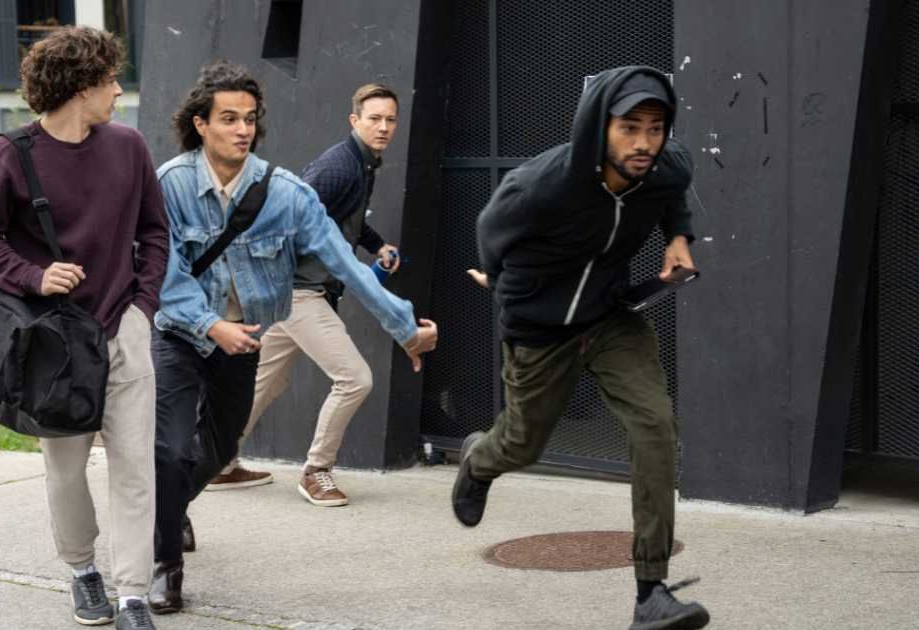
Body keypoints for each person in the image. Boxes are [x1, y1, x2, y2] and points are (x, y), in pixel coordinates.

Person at [147, 61, 437, 614]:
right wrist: (211, 325)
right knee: (171, 447)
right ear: (200, 124)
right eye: (228, 118)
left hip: (245, 339)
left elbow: (344, 263)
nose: (243, 129)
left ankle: (169, 505)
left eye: (250, 118)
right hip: (182, 335)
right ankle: (165, 563)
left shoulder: (285, 193)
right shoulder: (171, 184)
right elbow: (163, 272)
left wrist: (404, 327)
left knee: (218, 448)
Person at [451, 66, 710, 630]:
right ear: (600, 126)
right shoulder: (545, 185)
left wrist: (678, 235)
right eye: (629, 128)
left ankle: (651, 592)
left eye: (655, 128)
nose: (644, 143)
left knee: (655, 427)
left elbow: (674, 187)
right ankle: (480, 460)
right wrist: (507, 286)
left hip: (612, 317)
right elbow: (491, 231)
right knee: (521, 444)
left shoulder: (664, 166)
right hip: (541, 332)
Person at [0, 26, 167, 630]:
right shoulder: (10, 154)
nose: (118, 93)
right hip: (56, 343)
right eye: (110, 81)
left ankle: (133, 596)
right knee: (67, 470)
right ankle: (81, 569)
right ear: (80, 87)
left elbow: (154, 231)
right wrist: (34, 276)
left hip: (123, 329)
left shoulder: (128, 147)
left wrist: (143, 307)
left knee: (135, 468)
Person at [206, 83, 404, 506]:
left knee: (265, 382)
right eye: (374, 118)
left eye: (390, 119)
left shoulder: (363, 164)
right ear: (355, 120)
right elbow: (289, 212)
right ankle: (317, 470)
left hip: (295, 291)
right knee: (355, 379)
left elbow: (339, 219)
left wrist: (376, 245)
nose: (383, 127)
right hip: (298, 292)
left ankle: (215, 462)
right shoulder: (340, 167)